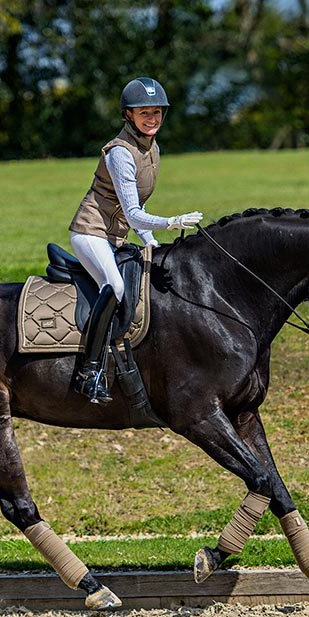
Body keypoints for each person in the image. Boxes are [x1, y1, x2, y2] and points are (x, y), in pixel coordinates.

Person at [69, 76, 203, 404]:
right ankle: (90, 371)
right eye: (144, 112)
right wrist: (171, 222)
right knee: (113, 287)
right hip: (90, 233)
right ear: (128, 115)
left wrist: (153, 244)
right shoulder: (120, 153)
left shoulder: (151, 148)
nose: (152, 119)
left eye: (157, 112)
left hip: (115, 236)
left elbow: (137, 208)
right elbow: (132, 214)